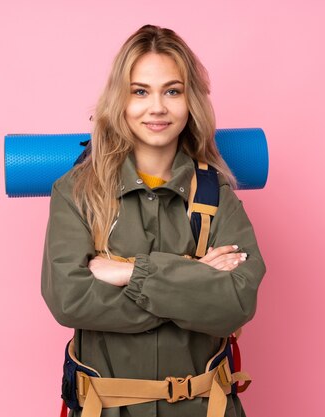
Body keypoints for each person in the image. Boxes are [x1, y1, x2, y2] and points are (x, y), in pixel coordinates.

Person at [41, 24, 266, 417]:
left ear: (190, 100)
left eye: (172, 91)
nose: (157, 107)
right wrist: (194, 280)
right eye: (140, 91)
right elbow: (70, 300)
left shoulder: (218, 197)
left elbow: (235, 305)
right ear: (120, 100)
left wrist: (130, 272)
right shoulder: (77, 193)